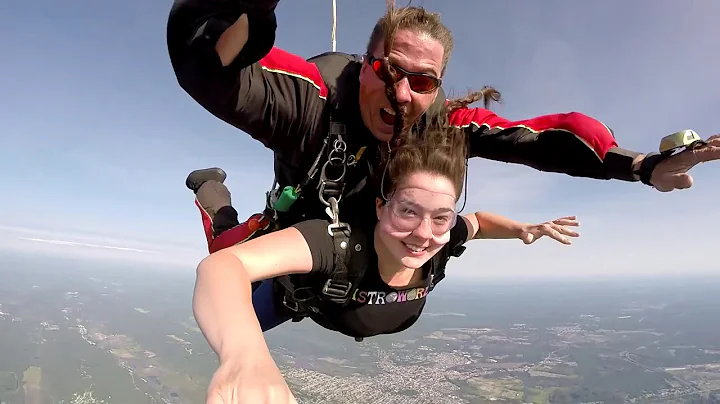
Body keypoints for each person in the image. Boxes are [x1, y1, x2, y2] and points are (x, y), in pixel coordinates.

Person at [168, 0, 719, 253]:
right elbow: (215, 70)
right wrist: (239, 12)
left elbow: (543, 139)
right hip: (301, 230)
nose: (401, 93)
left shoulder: (441, 126)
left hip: (373, 244)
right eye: (387, 71)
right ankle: (210, 190)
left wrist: (641, 167)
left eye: (422, 82)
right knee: (227, 256)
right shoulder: (314, 102)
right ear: (364, 67)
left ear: (437, 87)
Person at [193, 113, 581, 403]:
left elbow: (477, 222)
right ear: (381, 207)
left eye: (440, 218)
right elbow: (225, 268)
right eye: (407, 211)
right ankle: (211, 189)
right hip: (294, 298)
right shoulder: (338, 243)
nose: (423, 234)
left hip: (337, 305)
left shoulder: (444, 237)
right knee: (226, 249)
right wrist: (245, 357)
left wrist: (523, 229)